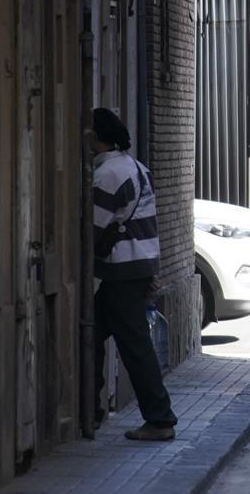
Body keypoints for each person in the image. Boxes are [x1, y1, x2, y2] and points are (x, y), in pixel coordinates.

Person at [90, 108, 177, 441]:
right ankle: (91, 410)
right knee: (91, 334)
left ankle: (159, 418)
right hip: (137, 267)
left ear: (96, 137)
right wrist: (150, 269)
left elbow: (93, 228)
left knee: (135, 347)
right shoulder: (138, 169)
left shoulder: (108, 175)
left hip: (121, 273)